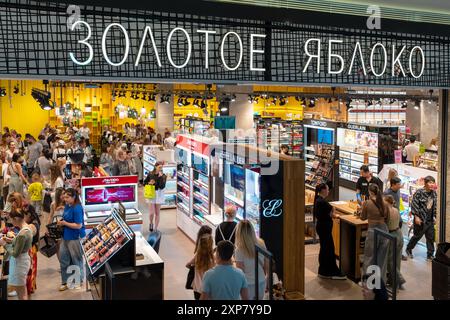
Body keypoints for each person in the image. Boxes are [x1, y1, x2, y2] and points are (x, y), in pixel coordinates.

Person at [314, 183, 346, 280]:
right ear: (323, 190)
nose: (328, 191)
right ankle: (331, 271)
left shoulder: (318, 200)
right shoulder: (323, 203)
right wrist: (333, 210)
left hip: (322, 228)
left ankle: (323, 270)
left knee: (325, 249)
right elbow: (332, 214)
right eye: (327, 189)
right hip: (325, 229)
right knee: (329, 250)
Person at [1, 209, 33, 300]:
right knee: (22, 290)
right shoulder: (26, 228)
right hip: (23, 260)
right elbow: (21, 243)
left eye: (11, 219)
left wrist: (4, 244)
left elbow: (15, 253)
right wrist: (11, 240)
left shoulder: (23, 233)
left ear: (16, 218)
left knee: (21, 292)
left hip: (20, 264)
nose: (11, 222)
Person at [57, 188, 85, 291]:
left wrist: (64, 223)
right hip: (65, 237)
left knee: (76, 259)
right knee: (64, 259)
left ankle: (78, 281)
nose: (65, 199)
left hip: (74, 237)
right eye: (64, 197)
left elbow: (78, 225)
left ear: (74, 197)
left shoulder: (77, 208)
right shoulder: (67, 206)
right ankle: (65, 281)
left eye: (67, 197)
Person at [360, 184, 389, 282]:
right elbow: (387, 218)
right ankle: (380, 283)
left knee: (369, 257)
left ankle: (367, 281)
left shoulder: (367, 203)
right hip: (384, 231)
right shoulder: (384, 203)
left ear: (370, 192)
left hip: (373, 231)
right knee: (382, 259)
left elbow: (362, 217)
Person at [406, 176, 437, 261]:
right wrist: (416, 217)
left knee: (430, 238)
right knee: (417, 236)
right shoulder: (419, 192)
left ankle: (430, 255)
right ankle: (409, 249)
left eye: (433, 182)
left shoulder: (433, 193)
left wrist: (435, 216)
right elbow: (414, 204)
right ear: (425, 183)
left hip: (429, 220)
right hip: (420, 219)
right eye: (430, 182)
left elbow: (434, 206)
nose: (431, 184)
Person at [234, 220, 267, 300]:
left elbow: (240, 272)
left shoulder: (239, 250)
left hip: (247, 284)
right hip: (261, 281)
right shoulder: (261, 243)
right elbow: (266, 264)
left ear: (239, 233)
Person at [384, 195, 406, 290]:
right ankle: (394, 282)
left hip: (392, 235)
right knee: (397, 260)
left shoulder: (387, 211)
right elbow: (400, 222)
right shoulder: (396, 210)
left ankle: (399, 279)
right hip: (399, 234)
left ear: (387, 202)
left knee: (389, 261)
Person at [186, 230, 215, 300]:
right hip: (208, 288)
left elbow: (187, 265)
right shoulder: (213, 259)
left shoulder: (197, 256)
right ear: (211, 244)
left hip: (197, 287)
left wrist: (192, 267)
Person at [144, 161, 167, 232]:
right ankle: (151, 223)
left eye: (161, 167)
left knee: (157, 213)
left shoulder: (163, 176)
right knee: (151, 213)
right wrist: (149, 183)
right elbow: (145, 182)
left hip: (159, 194)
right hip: (151, 193)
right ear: (155, 167)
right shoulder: (150, 174)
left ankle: (156, 228)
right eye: (159, 167)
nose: (160, 169)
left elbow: (162, 186)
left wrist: (160, 178)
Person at [23, 203, 40, 296]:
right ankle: (30, 287)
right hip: (31, 249)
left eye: (24, 215)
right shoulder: (33, 221)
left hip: (31, 250)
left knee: (30, 270)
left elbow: (29, 232)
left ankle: (30, 288)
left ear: (29, 215)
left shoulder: (33, 224)